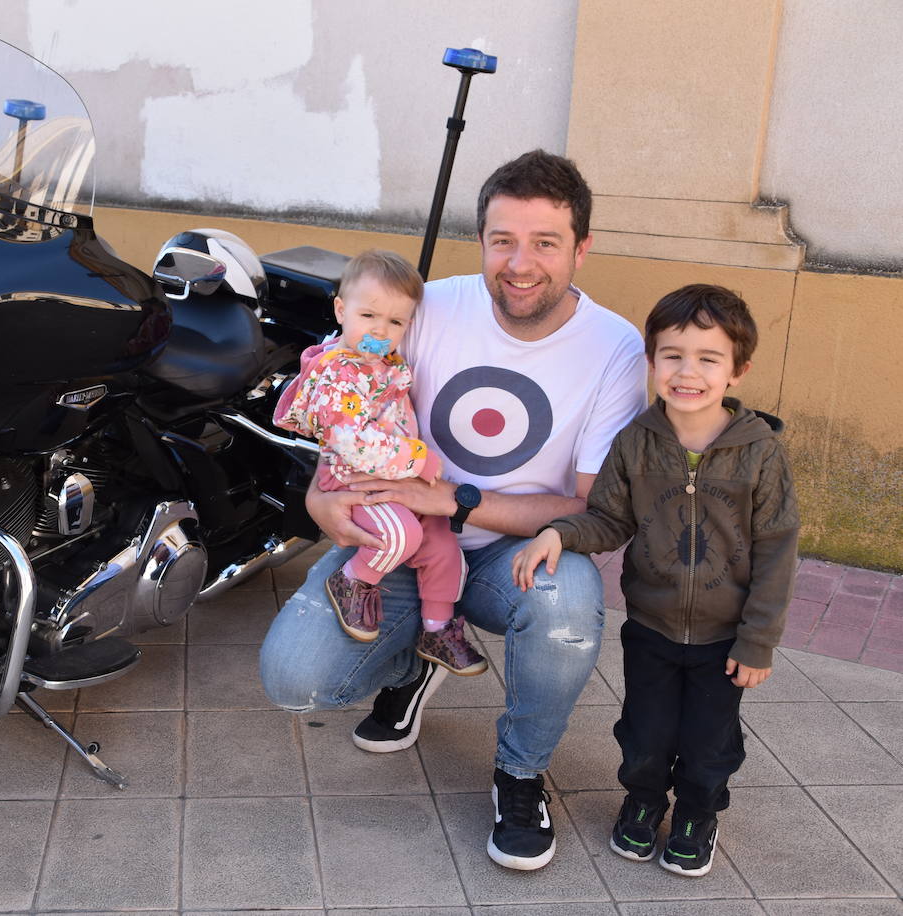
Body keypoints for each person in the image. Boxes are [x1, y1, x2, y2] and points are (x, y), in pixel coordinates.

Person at [259, 148, 648, 871]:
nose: (520, 263)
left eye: (545, 243)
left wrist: (456, 499)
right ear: (482, 241)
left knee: (570, 601)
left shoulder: (615, 348)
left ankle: (521, 773)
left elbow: (592, 508)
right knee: (295, 678)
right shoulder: (430, 305)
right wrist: (320, 496)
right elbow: (346, 403)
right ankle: (423, 653)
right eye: (503, 240)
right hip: (402, 540)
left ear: (582, 249)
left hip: (508, 553)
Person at [512, 284, 799, 877]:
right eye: (672, 355)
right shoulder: (635, 441)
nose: (687, 372)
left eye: (708, 358)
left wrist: (758, 641)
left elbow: (776, 549)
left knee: (707, 740)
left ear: (738, 370)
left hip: (725, 640)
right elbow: (610, 518)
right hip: (651, 626)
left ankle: (697, 812)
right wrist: (560, 534)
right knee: (644, 733)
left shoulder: (761, 453)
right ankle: (643, 801)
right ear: (652, 362)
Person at [273, 249, 484, 674]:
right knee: (400, 535)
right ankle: (353, 580)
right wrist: (416, 458)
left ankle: (437, 628)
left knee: (443, 545)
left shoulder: (382, 364)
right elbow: (353, 442)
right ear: (340, 309)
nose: (380, 331)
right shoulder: (337, 373)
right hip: (355, 482)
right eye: (369, 316)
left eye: (395, 322)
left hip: (394, 484)